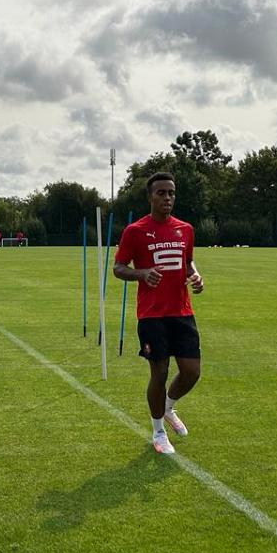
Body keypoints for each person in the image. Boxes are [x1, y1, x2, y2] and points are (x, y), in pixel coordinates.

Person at [113, 172, 205, 455]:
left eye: (171, 193)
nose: (167, 198)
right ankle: (158, 431)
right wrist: (142, 273)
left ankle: (167, 407)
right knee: (160, 371)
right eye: (161, 193)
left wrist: (196, 276)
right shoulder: (135, 231)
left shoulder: (185, 229)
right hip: (152, 315)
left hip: (182, 311)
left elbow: (187, 262)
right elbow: (118, 267)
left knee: (191, 372)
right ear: (150, 197)